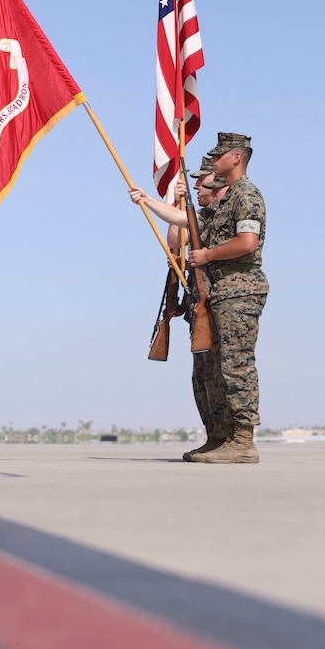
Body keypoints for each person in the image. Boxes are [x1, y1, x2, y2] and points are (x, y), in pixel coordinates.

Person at [128, 158, 229, 460]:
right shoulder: (204, 214)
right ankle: (215, 437)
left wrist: (148, 200)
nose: (198, 186)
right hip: (202, 302)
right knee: (203, 378)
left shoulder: (222, 213)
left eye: (202, 182)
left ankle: (231, 439)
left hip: (221, 300)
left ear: (218, 186)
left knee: (223, 374)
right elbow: (177, 236)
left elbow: (187, 222)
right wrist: (169, 202)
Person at [187, 132, 268, 463]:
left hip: (240, 289)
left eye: (219, 155)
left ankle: (244, 442)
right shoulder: (229, 198)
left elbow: (247, 243)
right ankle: (223, 438)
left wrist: (206, 256)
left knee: (236, 366)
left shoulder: (246, 196)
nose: (214, 162)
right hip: (222, 292)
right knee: (216, 370)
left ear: (236, 157)